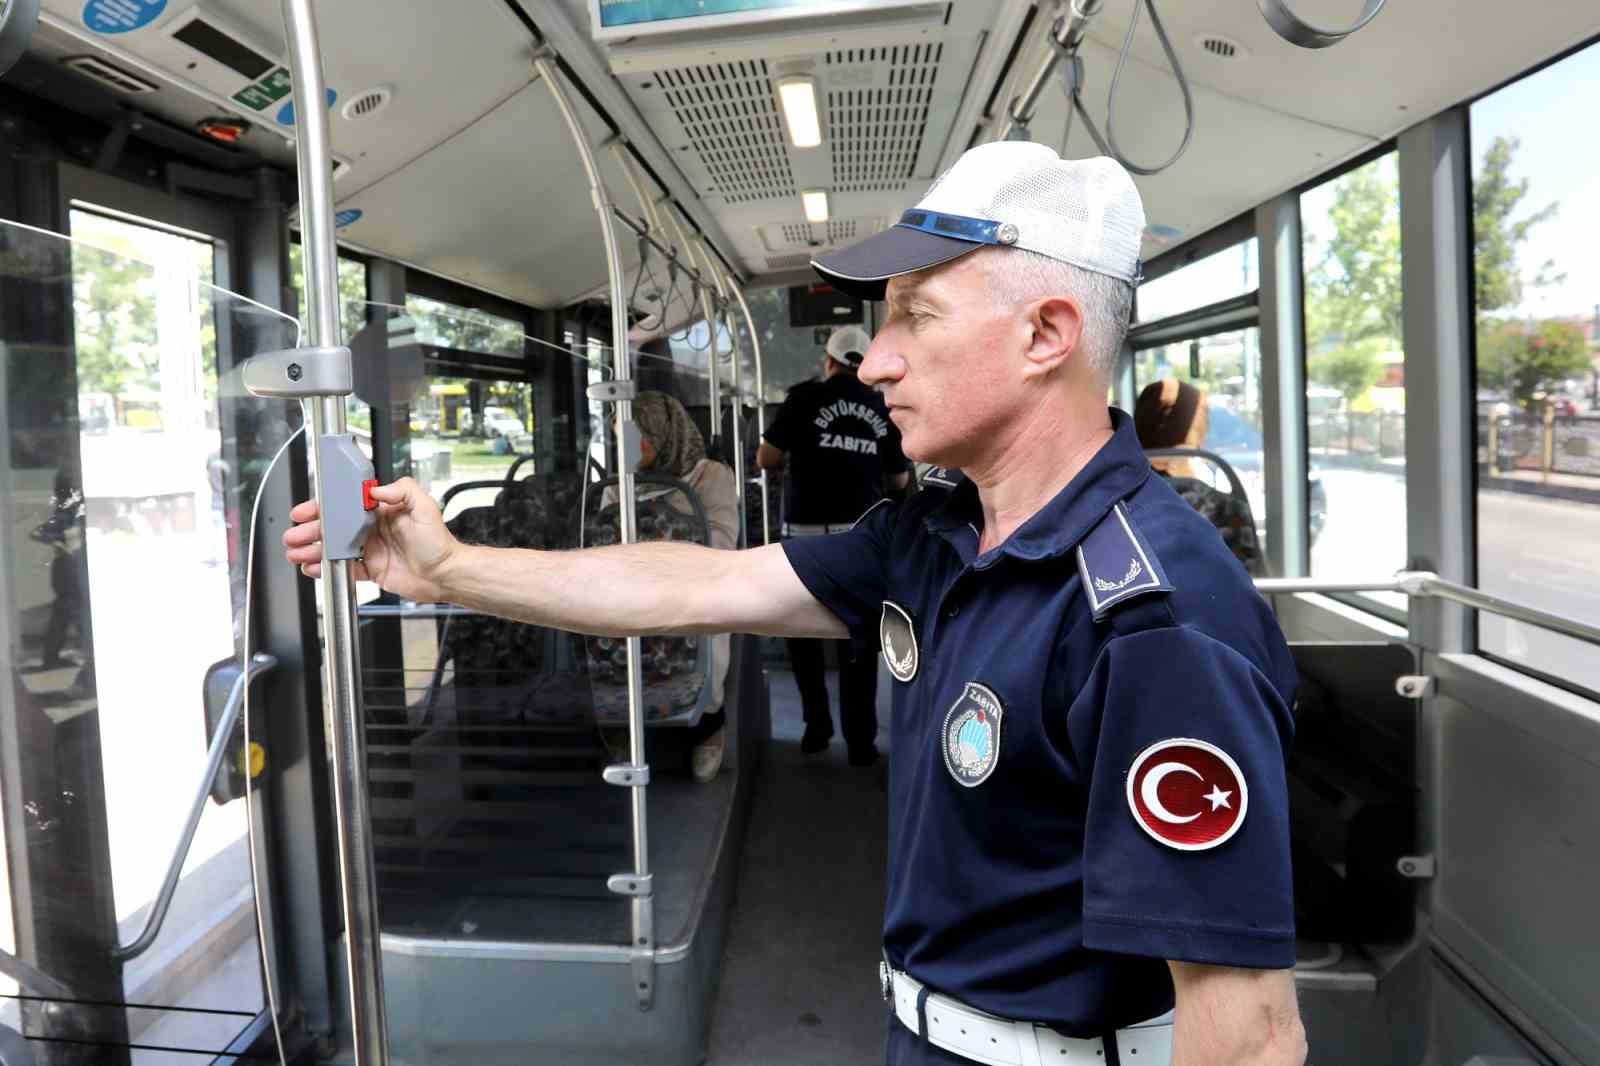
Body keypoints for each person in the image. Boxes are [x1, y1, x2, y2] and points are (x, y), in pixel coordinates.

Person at [286, 141, 1306, 1066]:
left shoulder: (1155, 619)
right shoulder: (939, 528)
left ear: (1046, 333)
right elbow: (701, 580)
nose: (875, 359)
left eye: (914, 312)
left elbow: (1248, 1033)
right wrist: (451, 568)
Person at [756, 324, 911, 766]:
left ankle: (815, 729)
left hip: (803, 538)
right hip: (859, 539)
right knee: (858, 643)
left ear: (828, 361)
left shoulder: (802, 398)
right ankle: (860, 743)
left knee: (801, 637)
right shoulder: (881, 405)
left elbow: (767, 458)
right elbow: (899, 480)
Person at [607, 391, 738, 782]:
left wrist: (656, 540)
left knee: (704, 630)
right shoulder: (618, 485)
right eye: (620, 439)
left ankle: (708, 726)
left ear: (664, 435)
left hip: (695, 587)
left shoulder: (712, 476)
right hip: (633, 586)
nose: (626, 449)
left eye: (635, 438)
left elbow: (721, 540)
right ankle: (625, 723)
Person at [1134, 379, 1263, 572]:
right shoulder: (1217, 502)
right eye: (1203, 413)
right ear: (1183, 420)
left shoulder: (1120, 482)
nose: (1207, 424)